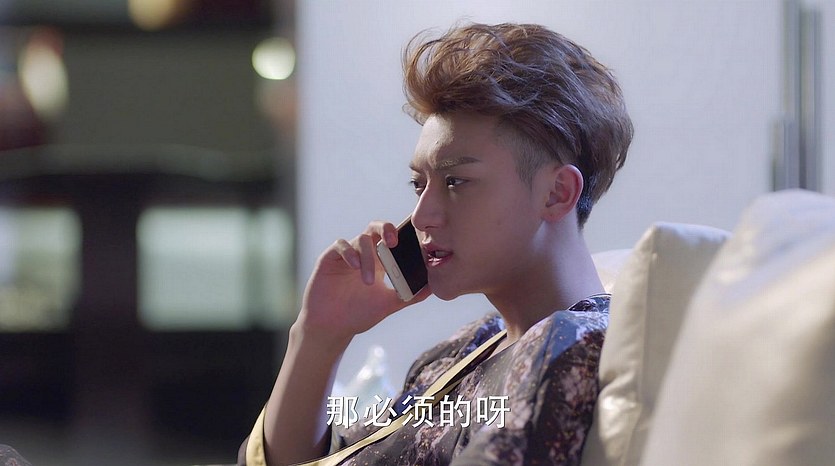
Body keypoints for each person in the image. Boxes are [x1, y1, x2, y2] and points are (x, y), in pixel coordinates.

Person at [238, 22, 632, 466]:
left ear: (557, 193)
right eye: (419, 184)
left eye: (456, 181)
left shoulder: (571, 346)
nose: (422, 216)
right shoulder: (472, 344)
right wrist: (319, 335)